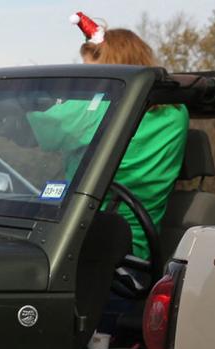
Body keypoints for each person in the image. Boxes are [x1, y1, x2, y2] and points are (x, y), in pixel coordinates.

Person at [27, 12, 189, 262]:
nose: (89, 83)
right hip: (138, 254)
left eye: (91, 73)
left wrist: (10, 112)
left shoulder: (97, 109)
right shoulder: (177, 112)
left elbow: (33, 131)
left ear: (110, 64)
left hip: (88, 249)